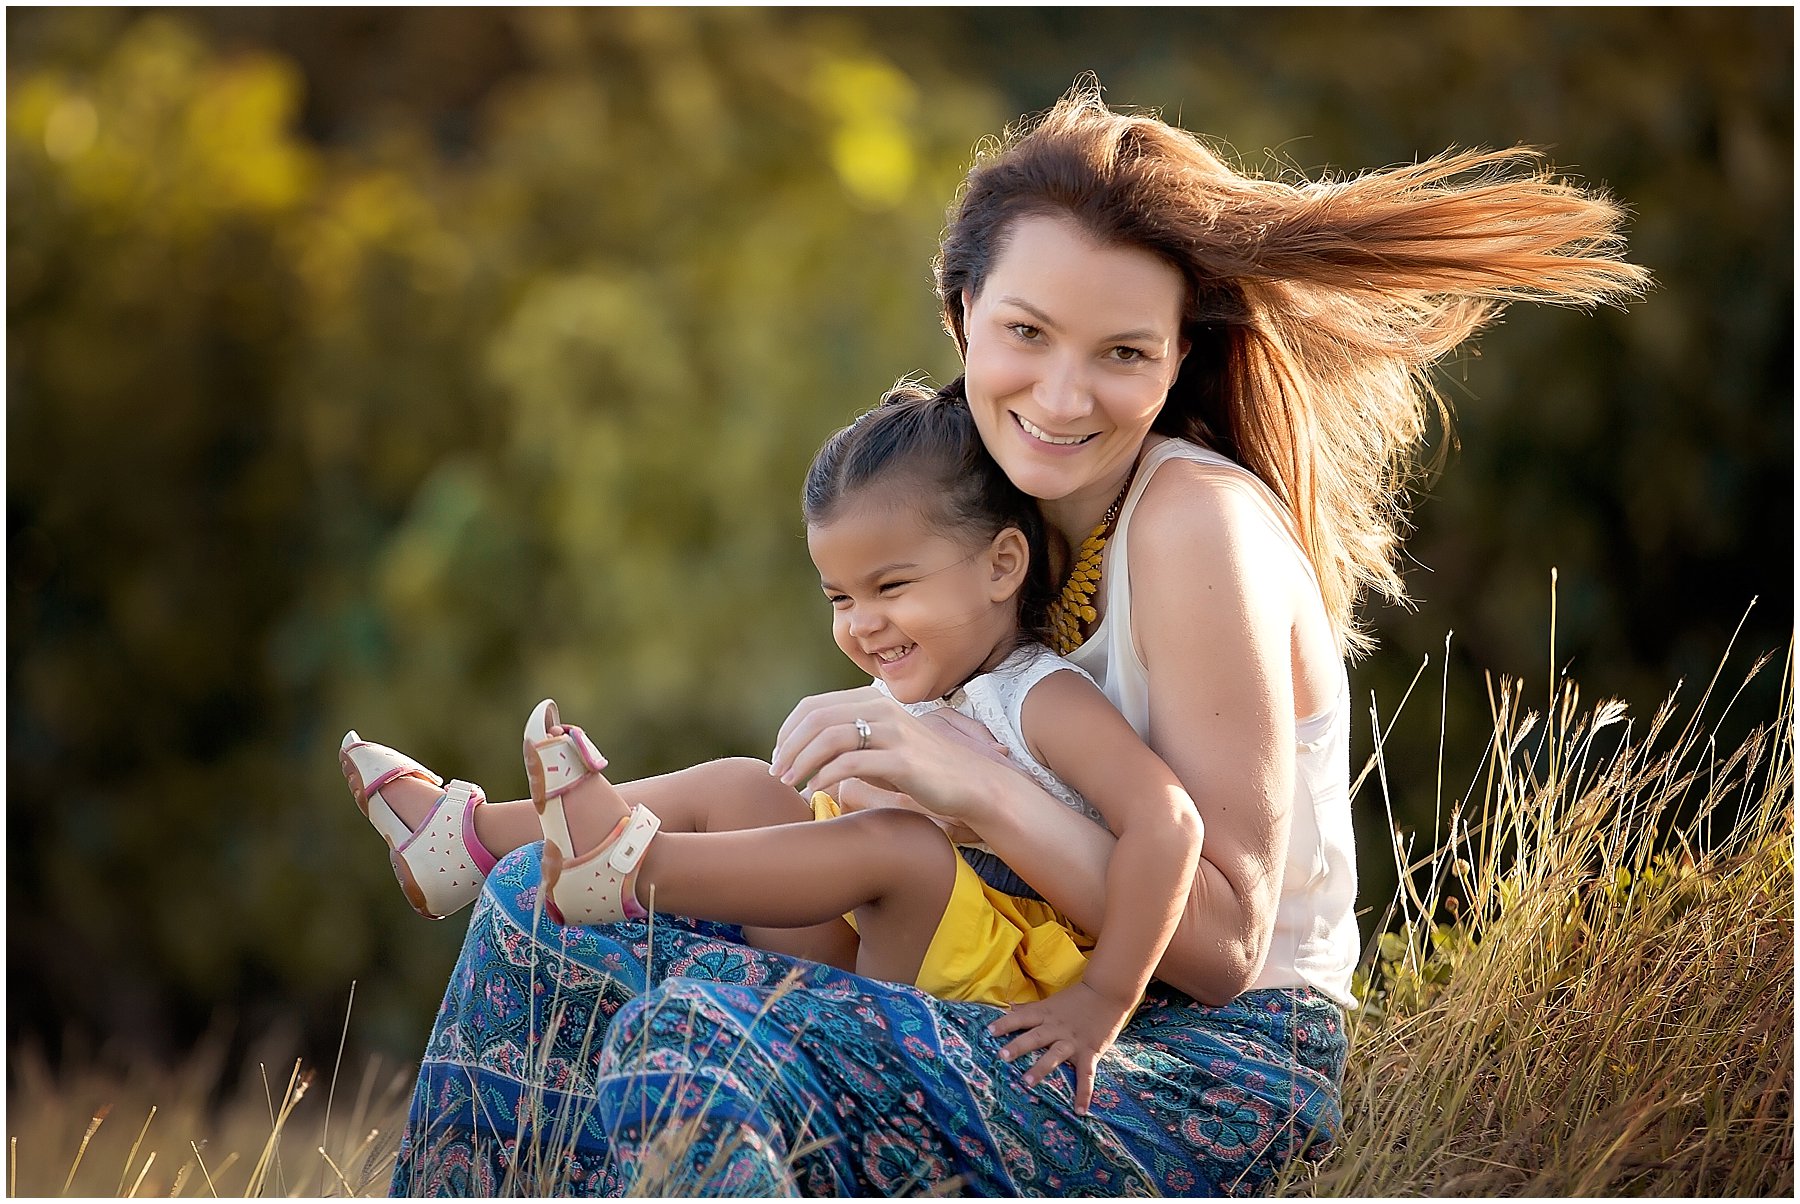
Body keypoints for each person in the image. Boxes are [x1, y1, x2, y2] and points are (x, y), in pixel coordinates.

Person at [367, 82, 1647, 1196]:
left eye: (1122, 353)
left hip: (1215, 1063)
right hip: (1021, 970)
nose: (1063, 393)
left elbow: (1219, 946)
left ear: (1175, 358)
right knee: (537, 919)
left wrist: (961, 776)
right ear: (961, 313)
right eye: (1028, 335)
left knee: (709, 1029)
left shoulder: (1190, 524)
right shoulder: (994, 519)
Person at [344, 383, 1203, 1112]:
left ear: (1001, 565)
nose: (863, 625)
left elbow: (1170, 826)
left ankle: (634, 868)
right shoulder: (901, 698)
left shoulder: (1040, 696)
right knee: (741, 785)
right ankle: (471, 842)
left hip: (1003, 986)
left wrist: (1103, 1000)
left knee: (898, 848)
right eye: (839, 597)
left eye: (890, 588)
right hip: (883, 964)